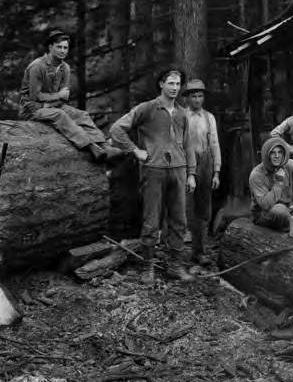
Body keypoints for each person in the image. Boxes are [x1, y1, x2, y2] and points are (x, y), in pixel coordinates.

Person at [110, 67, 196, 282]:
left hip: (178, 171)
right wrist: (135, 150)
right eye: (171, 83)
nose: (175, 88)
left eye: (178, 84)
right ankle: (147, 267)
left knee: (179, 220)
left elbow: (188, 145)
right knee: (151, 220)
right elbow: (117, 129)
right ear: (161, 84)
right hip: (154, 170)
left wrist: (191, 174)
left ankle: (175, 266)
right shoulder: (147, 109)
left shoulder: (182, 113)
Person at [19, 29, 120, 163]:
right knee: (60, 115)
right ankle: (91, 147)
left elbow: (63, 98)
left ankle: (104, 145)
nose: (62, 51)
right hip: (32, 109)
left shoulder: (64, 68)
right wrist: (57, 96)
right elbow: (34, 96)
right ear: (50, 47)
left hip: (54, 105)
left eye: (65, 48)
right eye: (59, 47)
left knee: (81, 114)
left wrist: (56, 98)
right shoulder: (37, 66)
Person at [182, 79, 221, 266]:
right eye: (193, 96)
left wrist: (216, 172)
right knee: (186, 207)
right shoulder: (181, 116)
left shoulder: (209, 117)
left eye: (200, 96)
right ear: (187, 98)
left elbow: (215, 144)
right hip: (185, 163)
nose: (197, 100)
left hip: (205, 163)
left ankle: (201, 251)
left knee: (204, 209)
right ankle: (183, 252)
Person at [248, 137, 293, 235]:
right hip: (263, 214)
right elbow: (265, 204)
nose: (277, 156)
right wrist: (278, 182)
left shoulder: (288, 164)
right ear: (266, 155)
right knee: (280, 210)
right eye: (272, 153)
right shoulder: (256, 174)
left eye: (280, 152)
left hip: (288, 208)